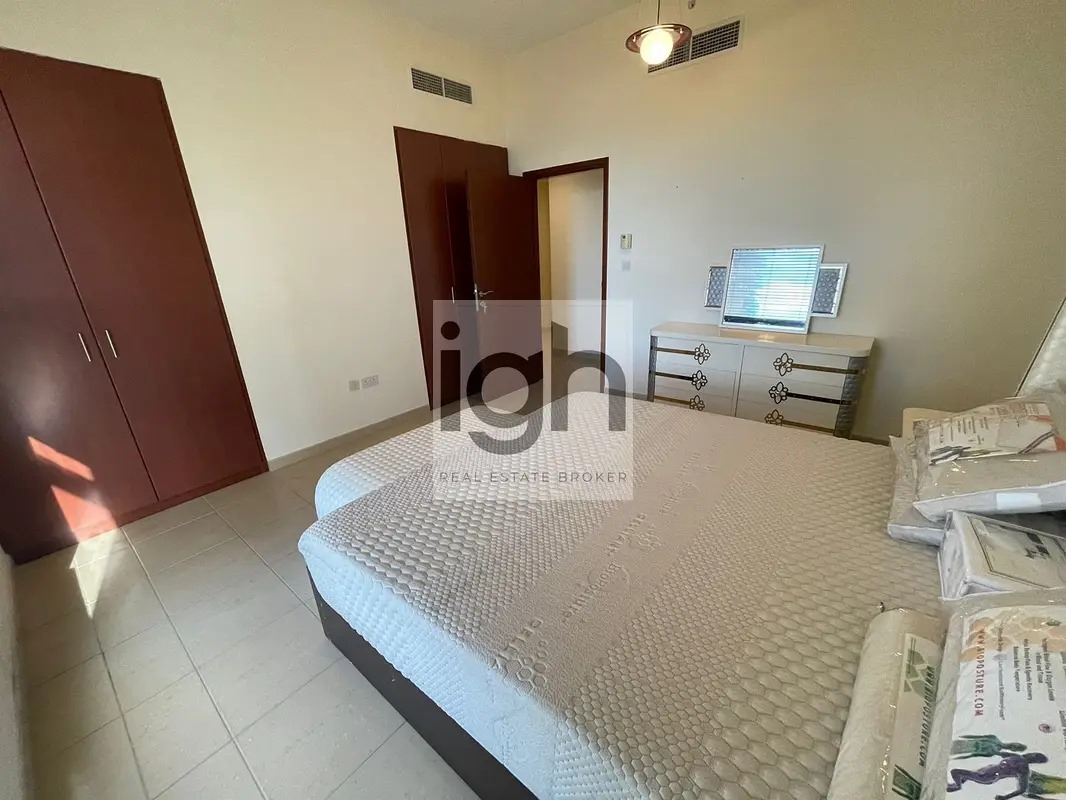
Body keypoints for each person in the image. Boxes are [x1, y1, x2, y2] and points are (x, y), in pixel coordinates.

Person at [946, 752, 1048, 799]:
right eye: (1034, 754)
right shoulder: (1018, 757)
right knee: (964, 776)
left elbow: (1022, 789)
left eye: (1035, 757)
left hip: (988, 776)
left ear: (1036, 761)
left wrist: (1005, 797)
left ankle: (957, 786)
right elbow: (999, 753)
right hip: (986, 770)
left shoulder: (1023, 769)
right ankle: (957, 784)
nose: (1032, 755)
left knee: (956, 772)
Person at [952, 735, 1029, 759]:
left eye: (1017, 748)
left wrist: (956, 758)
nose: (1014, 745)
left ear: (1013, 750)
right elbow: (975, 736)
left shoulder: (993, 752)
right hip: (959, 742)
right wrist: (959, 736)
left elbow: (972, 755)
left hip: (960, 750)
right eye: (1017, 744)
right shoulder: (994, 738)